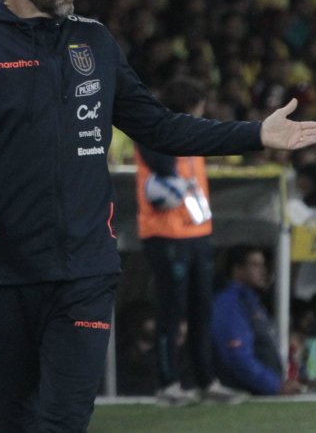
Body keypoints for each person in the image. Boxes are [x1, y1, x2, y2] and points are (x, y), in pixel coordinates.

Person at [0, 0, 316, 432]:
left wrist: (253, 134)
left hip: (86, 269)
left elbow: (159, 126)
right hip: (5, 271)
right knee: (15, 420)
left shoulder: (95, 42)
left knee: (64, 420)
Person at [134, 75, 246, 406]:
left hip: (197, 232)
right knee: (171, 311)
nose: (201, 114)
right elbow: (164, 167)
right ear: (187, 107)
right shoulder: (154, 132)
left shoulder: (191, 133)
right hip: (166, 233)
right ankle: (167, 384)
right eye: (197, 108)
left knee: (202, 310)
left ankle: (206, 380)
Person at [210, 245, 304, 396]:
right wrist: (273, 385)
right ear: (237, 270)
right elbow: (238, 355)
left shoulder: (251, 301)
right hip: (245, 394)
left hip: (259, 390)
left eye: (263, 265)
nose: (263, 271)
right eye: (255, 265)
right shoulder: (230, 304)